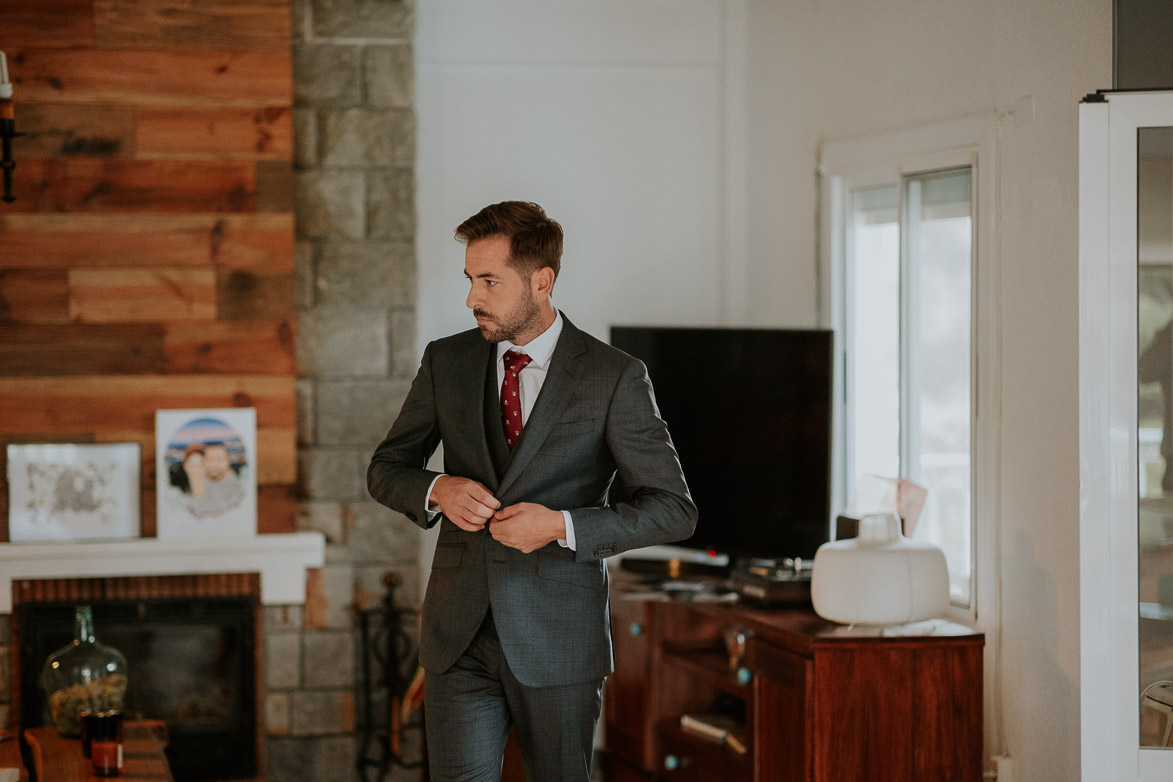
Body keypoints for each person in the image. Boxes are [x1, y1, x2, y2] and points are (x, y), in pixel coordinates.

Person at [367, 201, 697, 781]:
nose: (472, 297)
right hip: (457, 635)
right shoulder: (447, 360)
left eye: (489, 281)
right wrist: (438, 487)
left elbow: (673, 510)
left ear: (542, 282)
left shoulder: (613, 376)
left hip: (559, 642)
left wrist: (562, 527)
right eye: (470, 279)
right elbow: (387, 468)